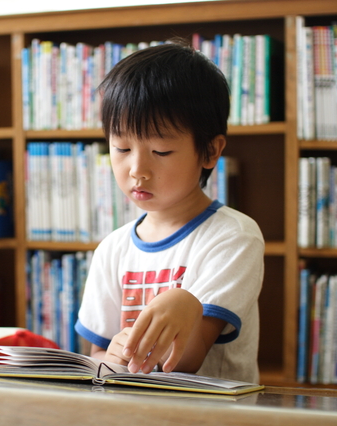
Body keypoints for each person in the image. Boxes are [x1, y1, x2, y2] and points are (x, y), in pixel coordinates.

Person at [74, 38, 265, 384]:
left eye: (160, 151)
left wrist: (185, 303)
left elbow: (187, 361)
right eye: (122, 147)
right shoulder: (113, 249)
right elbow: (97, 356)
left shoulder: (235, 237)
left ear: (209, 151)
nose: (137, 169)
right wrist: (112, 356)